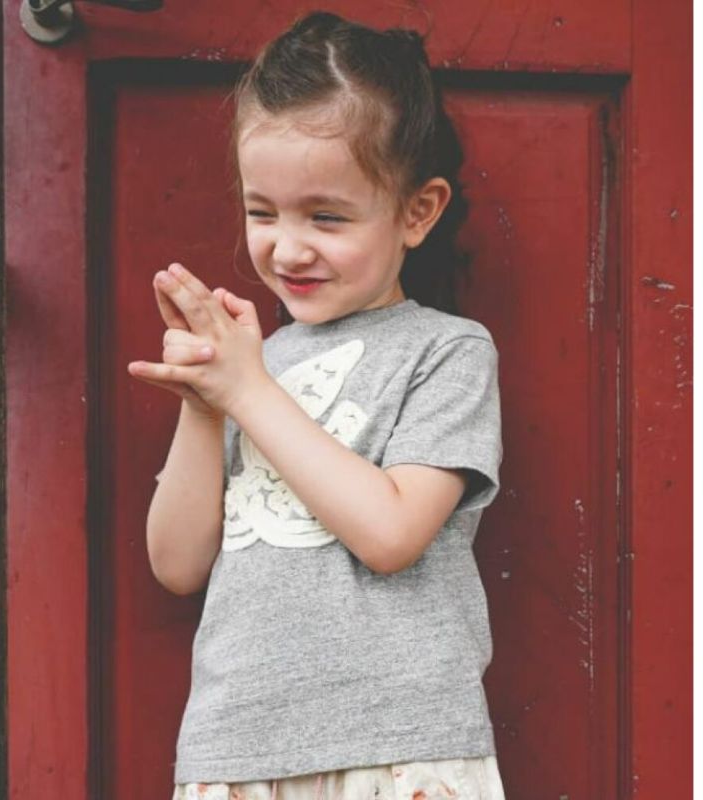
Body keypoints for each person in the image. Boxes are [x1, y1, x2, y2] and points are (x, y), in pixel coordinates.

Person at [128, 11, 505, 800]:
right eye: (262, 212)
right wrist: (205, 405)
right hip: (236, 752)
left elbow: (392, 534)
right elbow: (177, 564)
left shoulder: (446, 352)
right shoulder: (251, 365)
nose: (289, 248)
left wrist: (247, 390)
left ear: (416, 212)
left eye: (326, 217)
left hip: (399, 748)